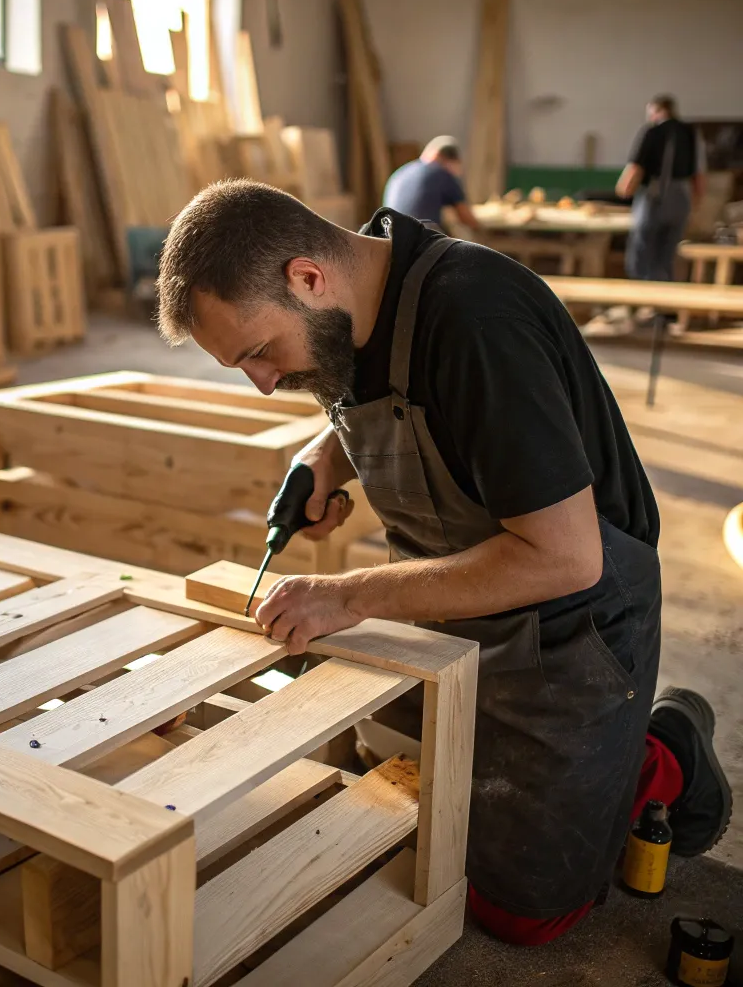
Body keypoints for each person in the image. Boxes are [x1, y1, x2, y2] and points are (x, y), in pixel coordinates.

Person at [155, 179, 732, 945]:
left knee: (520, 913)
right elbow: (390, 394)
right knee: (387, 816)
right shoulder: (357, 294)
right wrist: (326, 456)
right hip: (451, 606)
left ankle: (663, 752)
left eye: (260, 353)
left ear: (306, 277)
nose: (263, 382)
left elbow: (565, 558)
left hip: (569, 626)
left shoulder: (475, 321)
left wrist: (353, 593)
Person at [617, 94, 706, 281]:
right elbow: (699, 172)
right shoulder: (690, 132)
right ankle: (663, 299)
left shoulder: (653, 131)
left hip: (656, 194)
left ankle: (641, 295)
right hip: (682, 196)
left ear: (657, 110)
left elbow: (636, 166)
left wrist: (623, 189)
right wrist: (697, 201)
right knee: (668, 251)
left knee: (643, 247)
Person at [382, 135, 480, 232]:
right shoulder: (441, 172)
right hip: (419, 237)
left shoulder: (402, 171)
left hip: (390, 234)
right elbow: (467, 218)